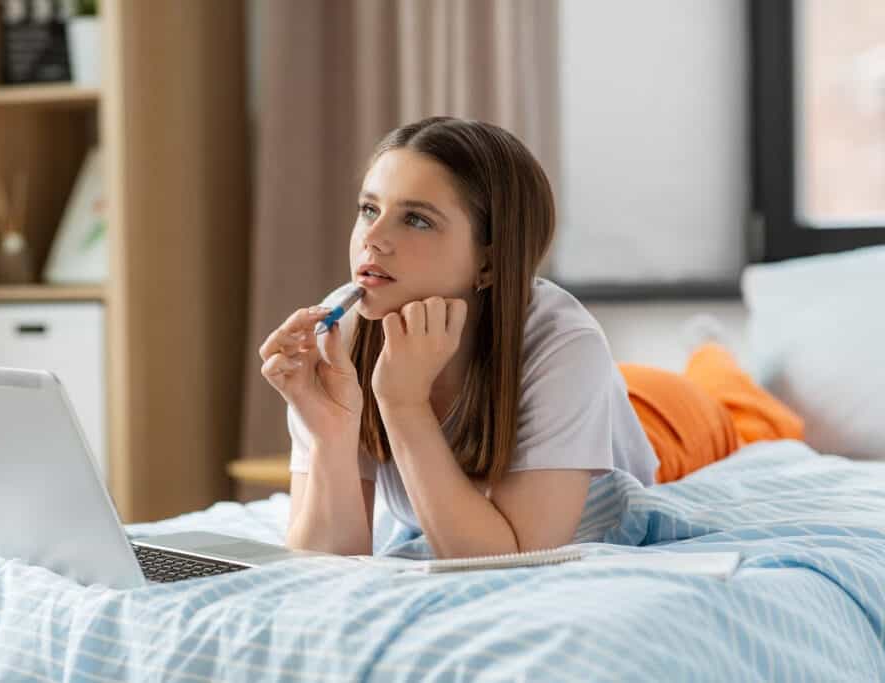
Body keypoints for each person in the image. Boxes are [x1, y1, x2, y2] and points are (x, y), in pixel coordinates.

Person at [258, 116, 803, 559]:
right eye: (369, 209)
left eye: (417, 220)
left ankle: (716, 361)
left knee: (751, 419)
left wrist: (402, 403)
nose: (372, 239)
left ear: (490, 259)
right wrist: (329, 429)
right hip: (595, 397)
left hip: (667, 420)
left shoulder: (563, 342)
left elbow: (511, 561)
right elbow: (328, 562)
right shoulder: (339, 333)